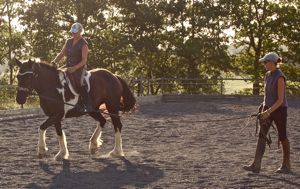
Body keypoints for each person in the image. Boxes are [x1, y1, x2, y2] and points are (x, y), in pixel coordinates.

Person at [243, 52, 291, 173]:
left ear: (271, 62)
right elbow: (267, 95)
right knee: (262, 135)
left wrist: (268, 111)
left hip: (279, 111)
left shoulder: (280, 77)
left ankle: (286, 165)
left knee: (282, 136)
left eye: (265, 62)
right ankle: (256, 164)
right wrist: (263, 106)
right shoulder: (267, 75)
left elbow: (280, 100)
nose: (264, 64)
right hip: (267, 109)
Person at [51, 22, 94, 112]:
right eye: (72, 32)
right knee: (57, 77)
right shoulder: (68, 41)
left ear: (80, 32)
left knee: (79, 83)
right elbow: (62, 54)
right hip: (68, 66)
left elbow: (84, 60)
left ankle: (87, 104)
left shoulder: (84, 44)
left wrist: (75, 68)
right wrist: (54, 61)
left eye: (75, 32)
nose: (73, 33)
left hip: (79, 67)